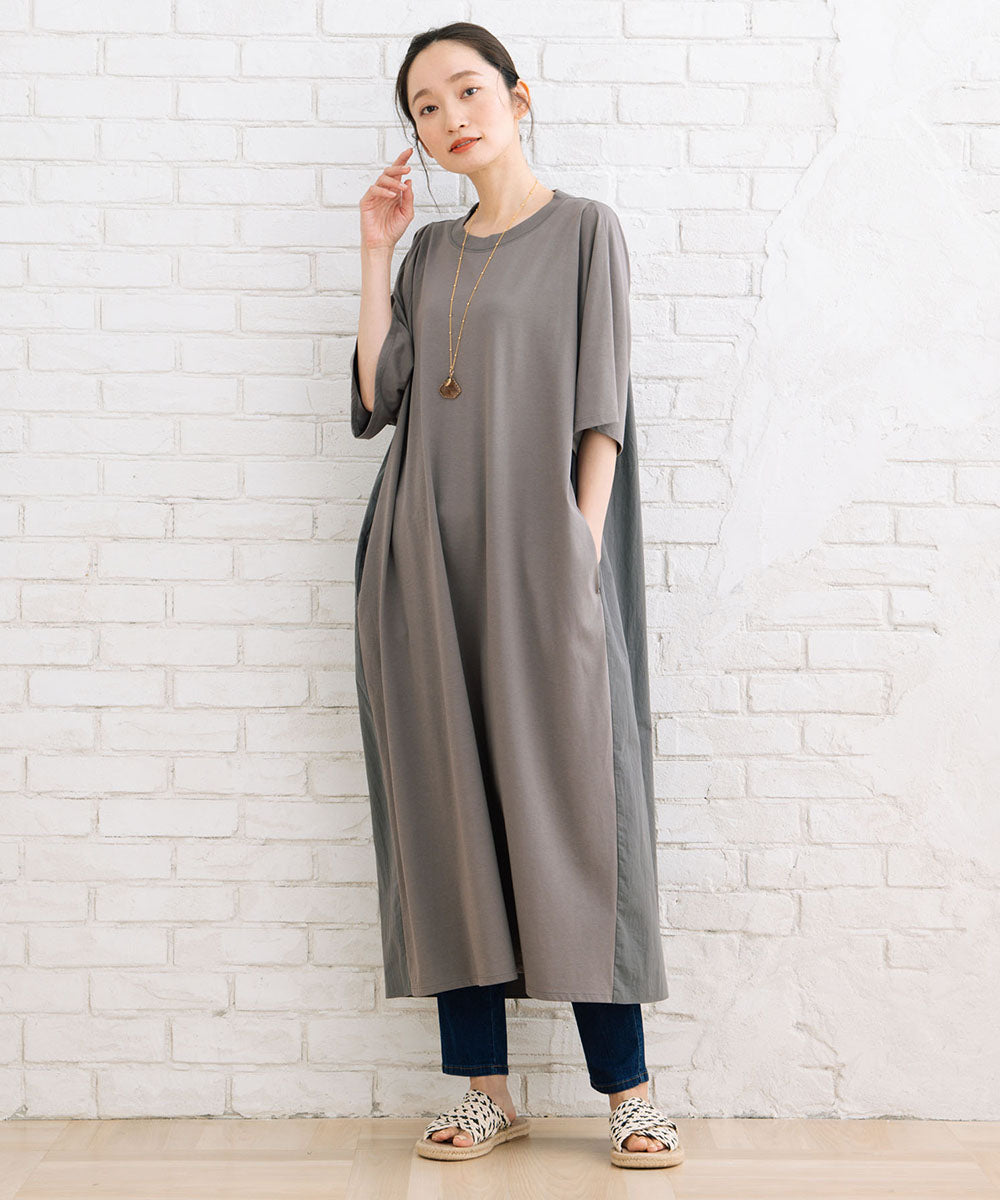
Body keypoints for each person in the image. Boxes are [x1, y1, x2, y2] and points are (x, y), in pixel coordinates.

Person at [350, 22, 683, 1169]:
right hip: (423, 561)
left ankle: (628, 1091)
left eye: (467, 90)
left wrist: (577, 552)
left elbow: (603, 407)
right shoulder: (428, 252)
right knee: (448, 818)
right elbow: (380, 395)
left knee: (576, 809)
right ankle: (483, 1088)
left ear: (518, 96)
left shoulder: (585, 229)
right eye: (425, 106)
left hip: (542, 561)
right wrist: (374, 254)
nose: (451, 117)